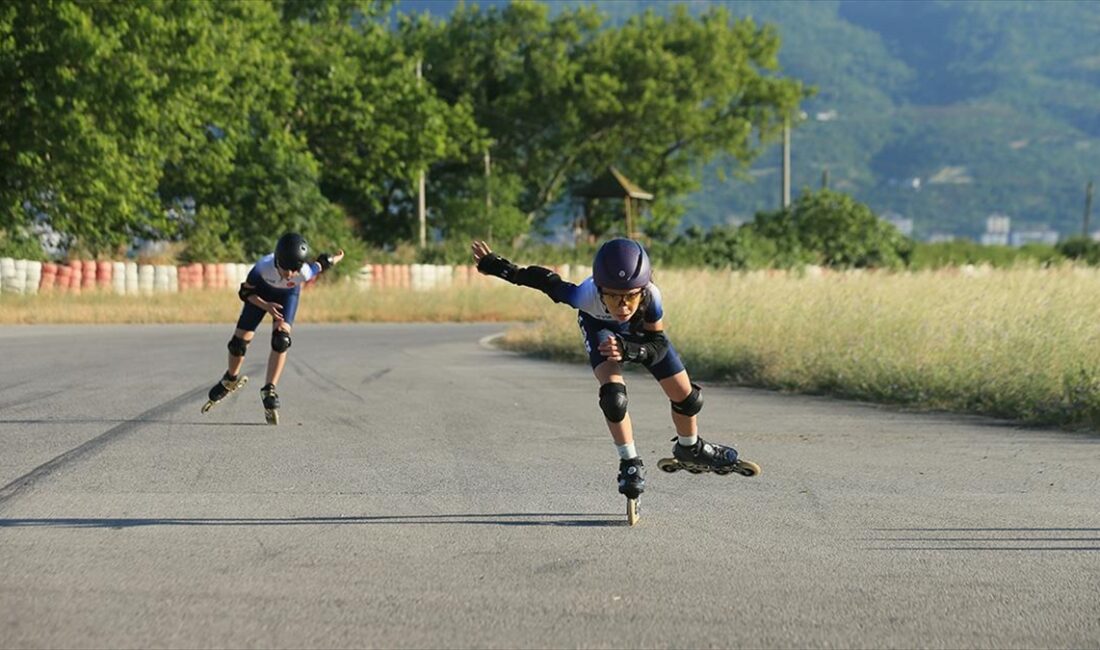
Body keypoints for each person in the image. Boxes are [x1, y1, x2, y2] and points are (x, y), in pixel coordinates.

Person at [471, 237, 748, 501]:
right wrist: (496, 266)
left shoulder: (651, 297)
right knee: (614, 399)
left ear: (642, 290)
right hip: (599, 328)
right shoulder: (584, 296)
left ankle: (690, 448)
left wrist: (632, 350)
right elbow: (543, 280)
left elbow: (657, 344)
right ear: (601, 290)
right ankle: (629, 462)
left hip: (640, 336)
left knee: (689, 399)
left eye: (629, 297)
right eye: (613, 297)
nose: (622, 305)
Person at [202, 233, 344, 424]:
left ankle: (269, 388)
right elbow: (245, 293)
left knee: (281, 341)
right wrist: (266, 306)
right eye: (286, 269)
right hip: (259, 296)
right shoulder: (262, 267)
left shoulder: (303, 272)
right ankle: (230, 379)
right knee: (237, 344)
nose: (290, 275)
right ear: (277, 260)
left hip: (287, 297)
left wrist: (336, 258)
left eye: (295, 270)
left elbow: (322, 263)